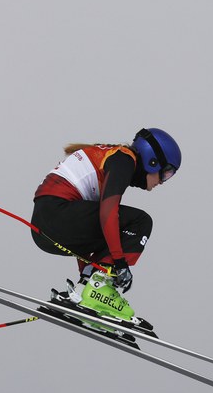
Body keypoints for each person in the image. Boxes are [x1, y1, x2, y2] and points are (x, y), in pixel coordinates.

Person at [31, 128, 181, 325]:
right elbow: (108, 212)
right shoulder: (124, 160)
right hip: (58, 214)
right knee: (141, 221)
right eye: (167, 173)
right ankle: (98, 287)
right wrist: (120, 263)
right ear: (153, 162)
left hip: (44, 227)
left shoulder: (112, 158)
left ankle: (91, 290)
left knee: (112, 232)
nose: (163, 182)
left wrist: (83, 285)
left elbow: (88, 231)